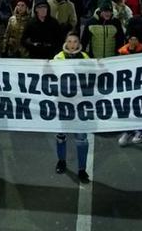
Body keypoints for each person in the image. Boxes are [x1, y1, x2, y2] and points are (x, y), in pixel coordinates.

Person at [53, 32, 91, 183]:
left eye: (75, 41)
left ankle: (82, 170)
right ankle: (61, 161)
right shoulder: (58, 58)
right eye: (69, 41)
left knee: (81, 138)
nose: (72, 44)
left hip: (81, 105)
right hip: (63, 104)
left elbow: (92, 78)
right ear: (65, 42)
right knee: (61, 135)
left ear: (79, 43)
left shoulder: (86, 58)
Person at [116, 34, 142, 147]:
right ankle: (128, 130)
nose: (133, 41)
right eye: (131, 39)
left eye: (136, 39)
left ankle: (140, 130)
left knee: (140, 106)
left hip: (140, 83)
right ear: (128, 40)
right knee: (127, 106)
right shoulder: (121, 52)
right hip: (127, 83)